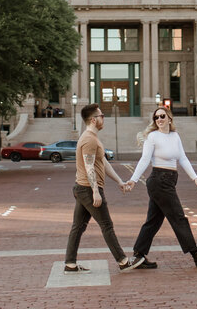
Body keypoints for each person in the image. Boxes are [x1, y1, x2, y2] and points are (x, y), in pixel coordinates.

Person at [125, 106, 197, 268]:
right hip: (159, 181)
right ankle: (196, 254)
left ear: (169, 118)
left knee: (153, 220)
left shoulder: (175, 136)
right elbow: (145, 159)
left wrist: (195, 178)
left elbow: (183, 158)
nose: (159, 120)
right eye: (156, 117)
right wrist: (134, 179)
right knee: (178, 217)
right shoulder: (152, 137)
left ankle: (139, 255)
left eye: (162, 116)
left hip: (169, 180)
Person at [63, 103, 145, 273]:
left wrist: (119, 181)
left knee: (78, 227)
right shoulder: (89, 139)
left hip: (82, 188)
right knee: (106, 225)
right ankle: (122, 261)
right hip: (87, 189)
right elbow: (89, 167)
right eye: (101, 116)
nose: (103, 118)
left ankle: (70, 263)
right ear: (93, 120)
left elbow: (103, 163)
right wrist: (95, 191)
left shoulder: (92, 138)